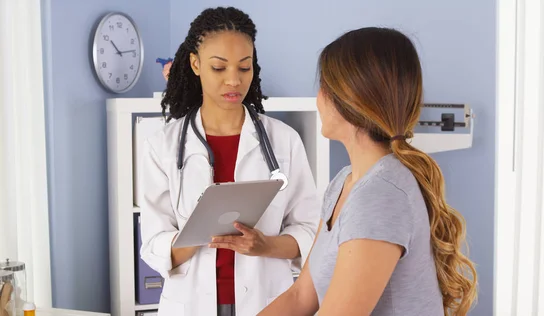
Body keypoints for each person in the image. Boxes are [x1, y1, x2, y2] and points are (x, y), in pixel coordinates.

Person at [259, 27, 478, 316]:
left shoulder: (382, 193)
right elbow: (301, 296)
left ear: (349, 99)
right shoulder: (344, 183)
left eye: (323, 87)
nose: (318, 98)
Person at [140, 7, 320, 316]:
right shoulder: (163, 146)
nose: (234, 81)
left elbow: (308, 228)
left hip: (267, 301)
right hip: (191, 303)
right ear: (195, 64)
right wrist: (202, 231)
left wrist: (265, 246)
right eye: (219, 68)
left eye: (244, 67)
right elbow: (154, 241)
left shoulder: (284, 141)